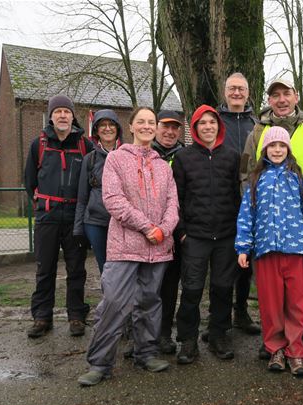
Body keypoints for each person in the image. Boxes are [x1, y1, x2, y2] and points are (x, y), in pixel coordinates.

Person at [77, 107, 179, 386]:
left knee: (149, 301)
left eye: (151, 122)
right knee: (114, 303)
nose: (147, 126)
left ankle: (146, 353)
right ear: (132, 127)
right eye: (141, 122)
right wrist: (147, 227)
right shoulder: (116, 160)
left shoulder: (161, 165)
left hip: (158, 247)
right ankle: (100, 363)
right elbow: (113, 199)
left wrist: (164, 229)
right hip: (125, 245)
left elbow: (173, 203)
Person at [241, 78, 303, 358]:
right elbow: (246, 177)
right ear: (269, 100)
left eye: (286, 94)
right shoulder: (257, 131)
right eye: (275, 95)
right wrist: (248, 235)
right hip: (266, 235)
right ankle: (274, 343)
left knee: (298, 293)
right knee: (270, 295)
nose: (281, 100)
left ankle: (296, 342)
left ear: (296, 97)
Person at [235, 126, 303, 377]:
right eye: (272, 146)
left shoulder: (297, 177)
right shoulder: (255, 180)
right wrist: (243, 247)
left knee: (296, 302)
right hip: (265, 251)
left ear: (288, 150)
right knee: (271, 304)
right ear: (264, 150)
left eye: (281, 146)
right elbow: (246, 216)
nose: (277, 150)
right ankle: (276, 349)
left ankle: (296, 351)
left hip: (294, 250)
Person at [173, 105, 241, 364]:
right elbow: (176, 199)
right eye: (202, 123)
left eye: (212, 122)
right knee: (191, 289)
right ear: (195, 128)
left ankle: (218, 335)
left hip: (226, 234)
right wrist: (181, 233)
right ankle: (188, 340)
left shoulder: (232, 157)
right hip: (195, 236)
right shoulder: (184, 158)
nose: (208, 127)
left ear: (219, 126)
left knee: (223, 288)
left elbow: (238, 197)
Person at [24, 95, 93, 338]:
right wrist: (42, 204)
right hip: (48, 218)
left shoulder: (85, 145)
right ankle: (42, 317)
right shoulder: (39, 145)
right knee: (45, 269)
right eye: (58, 111)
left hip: (75, 218)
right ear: (51, 116)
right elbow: (29, 180)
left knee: (76, 269)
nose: (63, 115)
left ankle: (76, 316)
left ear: (73, 116)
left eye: (67, 111)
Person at [217, 72, 260, 336]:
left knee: (246, 262)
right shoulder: (215, 121)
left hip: (249, 198)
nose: (236, 93)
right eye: (232, 88)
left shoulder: (257, 124)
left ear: (247, 93)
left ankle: (241, 312)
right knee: (222, 262)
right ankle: (217, 317)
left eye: (240, 89)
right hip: (220, 199)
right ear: (225, 92)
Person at [152, 110, 186, 354]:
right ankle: (141, 335)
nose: (170, 132)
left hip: (175, 231)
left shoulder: (184, 156)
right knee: (143, 285)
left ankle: (164, 333)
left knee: (169, 284)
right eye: (165, 126)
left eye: (175, 128)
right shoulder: (145, 153)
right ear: (155, 127)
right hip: (147, 231)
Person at [73, 109, 122, 275]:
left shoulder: (128, 155)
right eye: (102, 125)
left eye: (111, 125)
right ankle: (109, 300)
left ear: (118, 129)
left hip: (123, 223)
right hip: (96, 222)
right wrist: (78, 229)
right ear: (96, 130)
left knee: (123, 267)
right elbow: (82, 197)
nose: (107, 128)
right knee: (105, 268)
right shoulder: (90, 159)